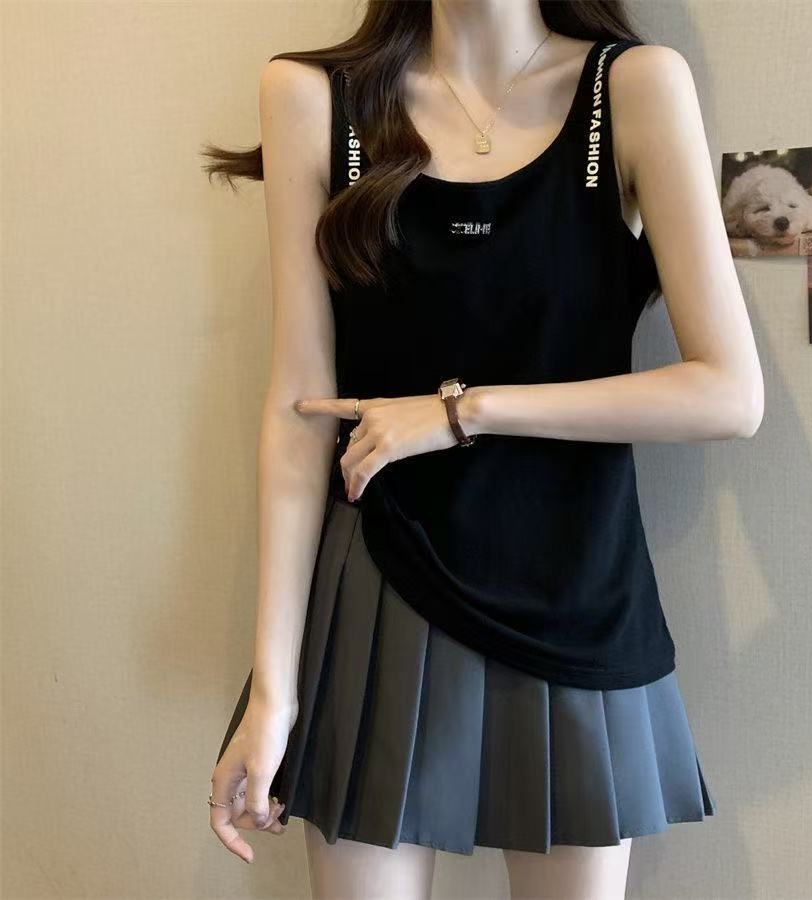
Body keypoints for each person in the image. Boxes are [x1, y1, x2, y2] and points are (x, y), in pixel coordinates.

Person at [202, 1, 763, 897]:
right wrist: (273, 689)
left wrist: (462, 412)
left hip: (576, 590)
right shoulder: (314, 98)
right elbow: (300, 408)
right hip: (378, 586)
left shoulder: (632, 88)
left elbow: (728, 393)